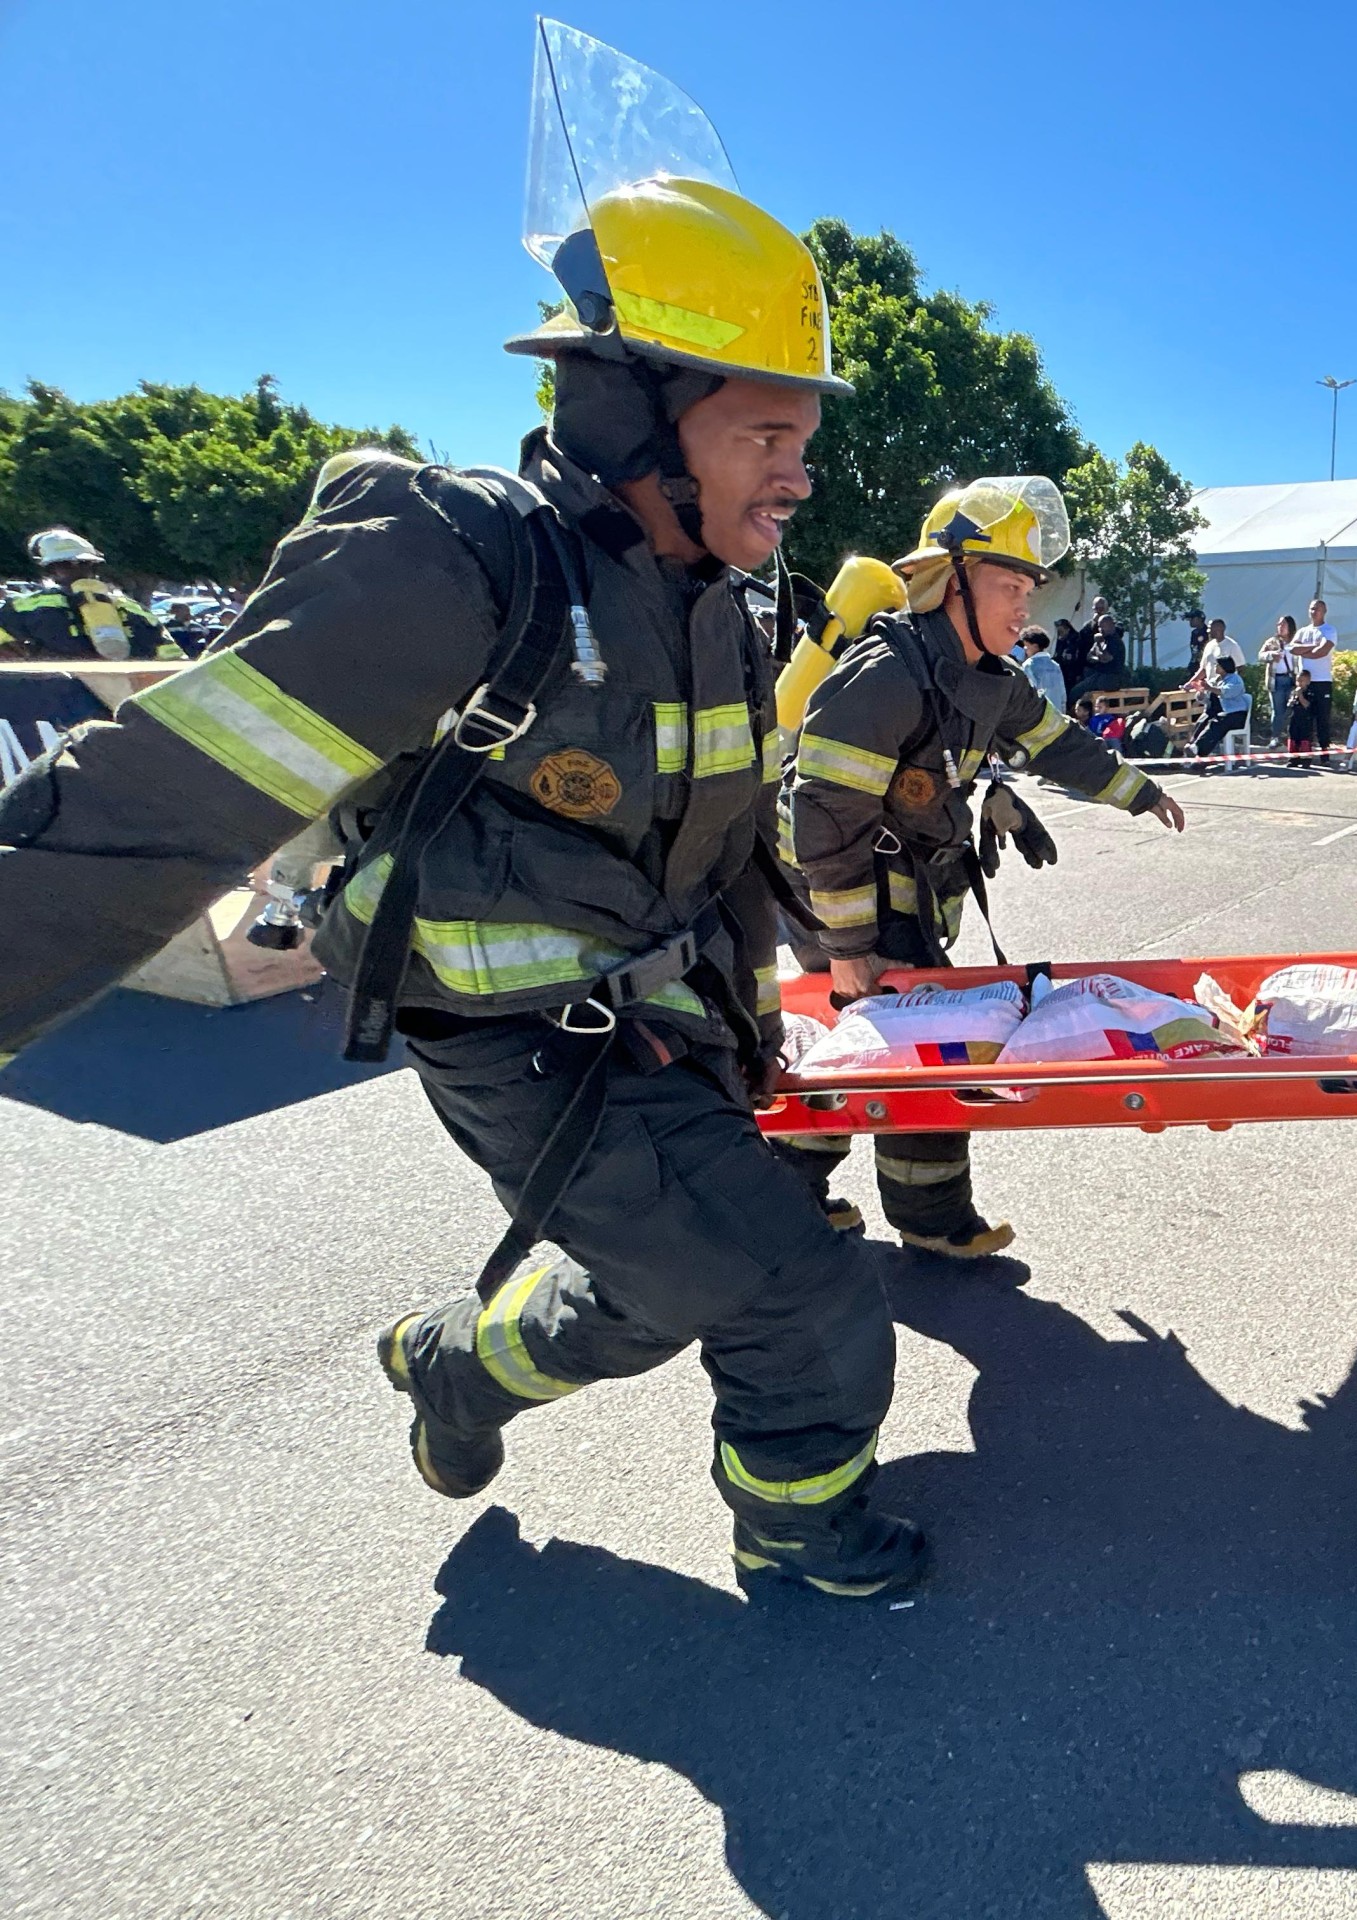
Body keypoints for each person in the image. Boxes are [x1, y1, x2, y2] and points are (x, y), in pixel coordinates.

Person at [0, 78, 935, 1601]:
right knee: (798, 1290)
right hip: (524, 1047)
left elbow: (721, 850)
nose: (802, 469)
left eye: (803, 434)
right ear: (632, 411)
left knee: (665, 1283)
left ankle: (454, 1366)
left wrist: (814, 997)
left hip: (670, 1025)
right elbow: (153, 806)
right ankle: (799, 1530)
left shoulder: (713, 599)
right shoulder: (455, 562)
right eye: (769, 428)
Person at [787, 476, 1185, 1255]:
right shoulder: (886, 673)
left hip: (894, 880)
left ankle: (799, 1194)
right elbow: (824, 816)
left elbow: (1058, 742)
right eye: (1009, 585)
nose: (1023, 607)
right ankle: (910, 1216)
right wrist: (846, 948)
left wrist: (1140, 792)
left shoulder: (989, 680)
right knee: (915, 1037)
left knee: (884, 1039)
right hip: (830, 885)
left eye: (1027, 588)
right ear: (952, 582)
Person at [1, 529, 179, 662]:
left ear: (50, 569)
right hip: (122, 700)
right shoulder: (134, 610)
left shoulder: (23, 609)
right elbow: (173, 660)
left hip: (54, 701)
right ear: (93, 566)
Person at [1292, 596, 1338, 762]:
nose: (1314, 612)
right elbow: (1293, 649)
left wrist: (1305, 651)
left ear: (1324, 611)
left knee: (1322, 719)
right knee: (1303, 719)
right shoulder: (1303, 631)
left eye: (1317, 609)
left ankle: (1324, 753)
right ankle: (1303, 754)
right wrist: (1311, 648)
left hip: (1322, 681)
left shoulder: (1329, 630)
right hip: (1305, 682)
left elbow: (1322, 651)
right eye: (1311, 609)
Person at [1192, 654, 1251, 764]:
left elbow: (1226, 692)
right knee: (1204, 720)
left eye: (1218, 665)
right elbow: (1208, 697)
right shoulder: (1217, 680)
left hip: (1237, 715)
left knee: (1216, 724)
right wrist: (1201, 693)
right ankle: (1193, 747)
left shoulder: (1235, 680)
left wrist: (1209, 687)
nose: (1215, 667)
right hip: (1224, 713)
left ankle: (1198, 751)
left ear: (1225, 667)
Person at [1259, 614, 1298, 737]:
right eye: (1279, 624)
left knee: (1293, 709)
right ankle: (1275, 737)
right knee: (1278, 711)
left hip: (1292, 679)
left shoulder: (1297, 641)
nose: (1280, 627)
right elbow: (1260, 655)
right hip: (1277, 680)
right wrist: (1271, 655)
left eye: (1283, 624)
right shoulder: (1272, 642)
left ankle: (1292, 737)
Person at [1017, 624, 1068, 709]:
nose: (1025, 649)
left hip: (1038, 712)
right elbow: (1062, 694)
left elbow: (1027, 694)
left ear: (1035, 646)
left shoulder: (1029, 665)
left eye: (1027, 646)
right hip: (1056, 712)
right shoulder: (1055, 665)